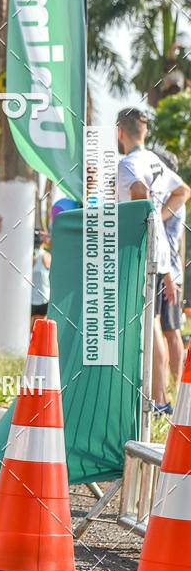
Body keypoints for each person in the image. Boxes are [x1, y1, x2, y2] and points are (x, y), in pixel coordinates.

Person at [116, 108, 190, 414]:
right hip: (159, 258)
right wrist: (159, 219)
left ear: (119, 131)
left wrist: (145, 225)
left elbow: (140, 193)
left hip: (140, 254)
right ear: (144, 132)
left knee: (153, 328)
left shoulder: (128, 164)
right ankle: (159, 399)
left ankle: (159, 401)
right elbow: (183, 191)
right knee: (157, 327)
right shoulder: (155, 161)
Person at [154, 149, 187, 391]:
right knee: (167, 329)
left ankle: (177, 385)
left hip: (168, 272)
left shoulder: (170, 197)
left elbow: (161, 234)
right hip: (169, 270)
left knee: (170, 330)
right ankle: (169, 384)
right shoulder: (172, 196)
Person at [31, 229, 51, 322]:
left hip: (31, 300)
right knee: (43, 327)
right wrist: (47, 237)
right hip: (44, 299)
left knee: (29, 330)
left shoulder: (27, 257)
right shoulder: (46, 255)